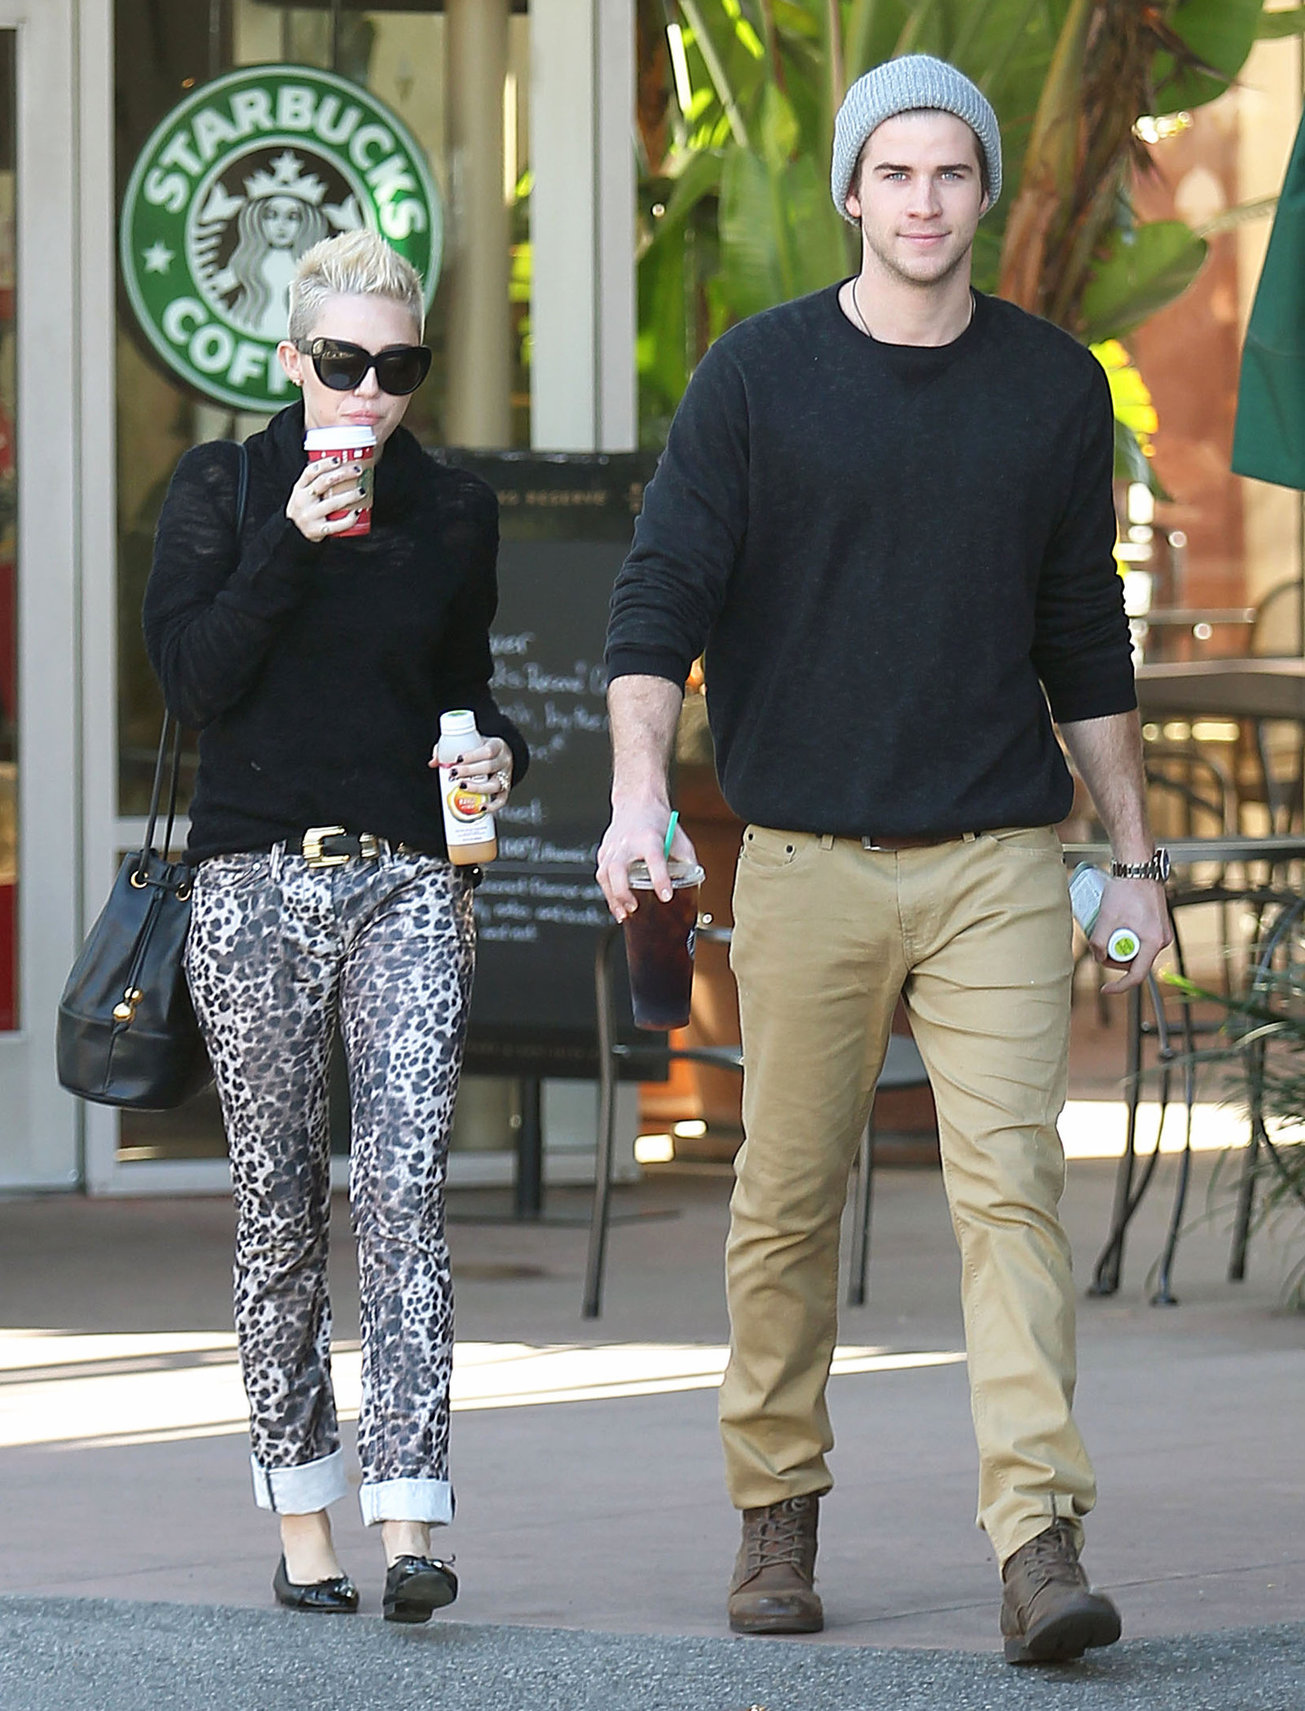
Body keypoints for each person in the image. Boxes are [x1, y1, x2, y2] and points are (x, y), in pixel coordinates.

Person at [597, 55, 1171, 1666]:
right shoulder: (757, 379)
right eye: (894, 175)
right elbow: (657, 607)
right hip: (799, 857)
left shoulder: (1056, 390)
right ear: (851, 192)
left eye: (951, 175)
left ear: (983, 193)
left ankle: (1035, 1545)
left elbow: (1084, 636)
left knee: (1013, 1198)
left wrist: (1131, 855)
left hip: (996, 854)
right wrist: (641, 794)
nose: (923, 203)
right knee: (782, 1198)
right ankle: (775, 1515)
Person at [144, 228, 526, 1623]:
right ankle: (304, 1514)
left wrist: (493, 759)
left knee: (407, 1192)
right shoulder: (223, 485)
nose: (372, 394)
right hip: (250, 888)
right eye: (346, 363)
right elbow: (190, 682)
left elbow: (465, 695)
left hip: (409, 882)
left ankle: (412, 1518)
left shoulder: (454, 508)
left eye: (400, 367)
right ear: (294, 359)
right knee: (280, 1204)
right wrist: (285, 545)